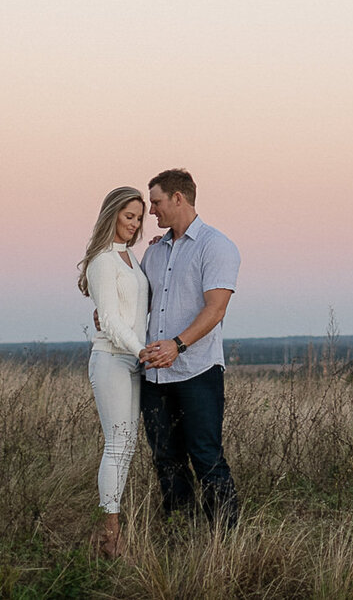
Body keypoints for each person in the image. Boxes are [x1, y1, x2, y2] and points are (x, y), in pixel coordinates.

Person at [136, 167, 240, 524]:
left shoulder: (217, 246)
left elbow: (216, 308)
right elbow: (140, 306)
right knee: (165, 458)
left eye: (156, 202)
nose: (151, 212)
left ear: (178, 198)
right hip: (154, 378)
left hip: (197, 371)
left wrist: (177, 346)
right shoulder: (153, 253)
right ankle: (181, 531)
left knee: (206, 456)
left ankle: (225, 541)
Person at [78, 185, 150, 558]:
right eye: (128, 216)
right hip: (112, 358)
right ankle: (110, 536)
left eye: (138, 218)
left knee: (128, 446)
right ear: (112, 214)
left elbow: (135, 312)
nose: (134, 224)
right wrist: (143, 351)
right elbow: (108, 320)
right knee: (117, 444)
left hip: (135, 361)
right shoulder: (103, 261)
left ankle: (110, 534)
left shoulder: (130, 258)